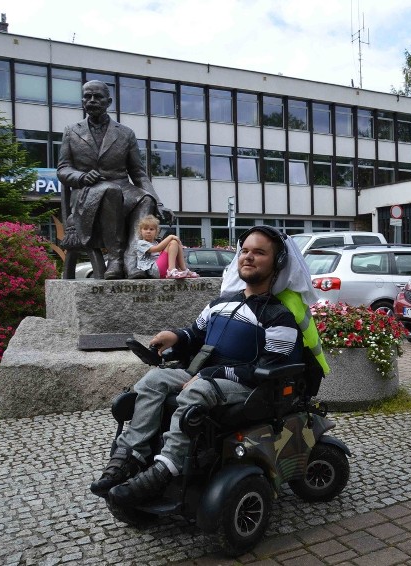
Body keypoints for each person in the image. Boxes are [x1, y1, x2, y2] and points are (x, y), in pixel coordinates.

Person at [91, 227, 310, 505]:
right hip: (208, 378)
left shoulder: (279, 318)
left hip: (248, 387)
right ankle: (130, 455)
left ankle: (167, 467)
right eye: (245, 251)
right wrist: (176, 336)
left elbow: (263, 371)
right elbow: (196, 334)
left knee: (198, 390)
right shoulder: (219, 304)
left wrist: (210, 373)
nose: (249, 257)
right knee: (153, 380)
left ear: (277, 262)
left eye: (259, 252)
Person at [57, 80, 171, 280]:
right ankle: (115, 259)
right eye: (87, 96)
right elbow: (63, 169)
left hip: (122, 189)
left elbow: (138, 172)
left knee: (145, 199)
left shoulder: (125, 133)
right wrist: (82, 176)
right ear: (82, 100)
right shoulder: (71, 131)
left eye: (97, 97)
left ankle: (132, 259)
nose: (92, 100)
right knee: (110, 191)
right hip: (87, 193)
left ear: (108, 101)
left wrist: (158, 202)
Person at [136, 215, 199, 279]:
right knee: (173, 242)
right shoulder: (141, 243)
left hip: (162, 269)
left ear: (156, 231)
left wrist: (178, 247)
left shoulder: (156, 243)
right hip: (154, 270)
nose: (148, 231)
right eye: (145, 229)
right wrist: (170, 236)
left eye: (151, 229)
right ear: (141, 231)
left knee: (175, 244)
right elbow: (157, 249)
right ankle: (171, 270)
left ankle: (183, 269)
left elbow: (165, 252)